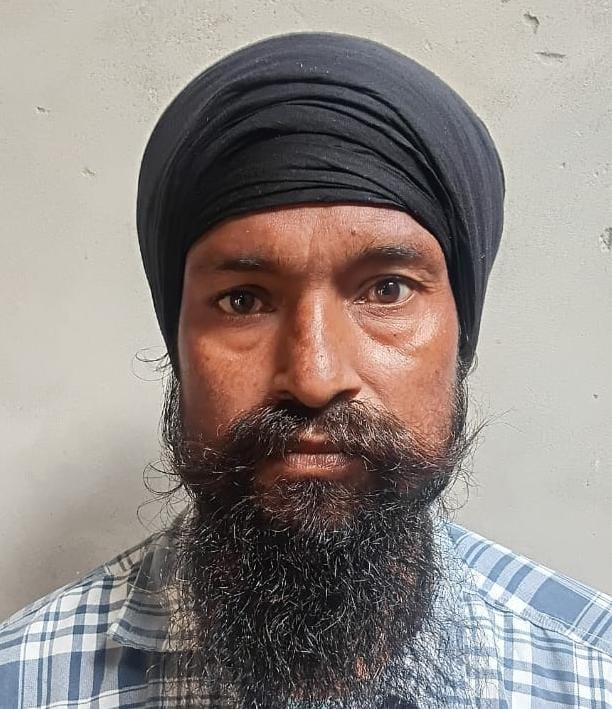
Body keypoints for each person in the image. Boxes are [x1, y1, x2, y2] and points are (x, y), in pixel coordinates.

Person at [0, 32, 610, 709]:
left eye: (387, 290)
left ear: (461, 332)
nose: (315, 377)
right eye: (243, 300)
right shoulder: (23, 683)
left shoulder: (592, 676)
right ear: (177, 340)